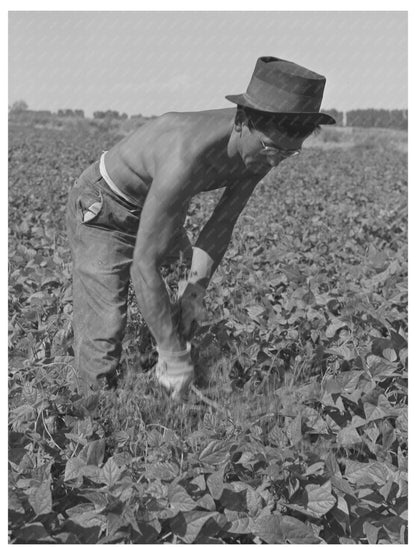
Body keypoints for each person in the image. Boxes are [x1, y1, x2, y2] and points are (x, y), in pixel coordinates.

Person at [66, 56, 335, 400]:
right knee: (105, 327)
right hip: (107, 210)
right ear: (242, 122)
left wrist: (195, 291)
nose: (275, 160)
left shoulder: (264, 150)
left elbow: (221, 224)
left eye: (288, 153)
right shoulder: (186, 155)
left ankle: (158, 377)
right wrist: (173, 353)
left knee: (187, 303)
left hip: (163, 209)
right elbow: (143, 264)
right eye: (272, 148)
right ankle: (92, 412)